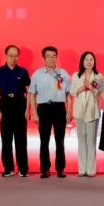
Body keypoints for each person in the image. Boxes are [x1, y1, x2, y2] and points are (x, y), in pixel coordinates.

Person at [29, 46, 72, 179]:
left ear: (56, 57)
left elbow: (68, 94)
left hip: (59, 108)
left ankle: (60, 169)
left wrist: (69, 111)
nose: (51, 59)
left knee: (60, 140)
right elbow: (32, 94)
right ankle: (45, 169)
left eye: (53, 56)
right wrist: (34, 113)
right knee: (44, 140)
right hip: (43, 109)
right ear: (43, 58)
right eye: (48, 56)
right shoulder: (37, 74)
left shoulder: (63, 73)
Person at [0, 45, 31, 177]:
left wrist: (27, 109)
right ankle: (8, 168)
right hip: (5, 104)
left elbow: (29, 92)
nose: (13, 58)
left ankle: (23, 168)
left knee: (21, 138)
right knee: (6, 138)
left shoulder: (23, 72)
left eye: (15, 56)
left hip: (20, 103)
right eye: (11, 56)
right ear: (5, 56)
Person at [70, 51, 103, 177]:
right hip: (79, 111)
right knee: (81, 140)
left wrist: (89, 85)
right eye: (86, 59)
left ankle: (91, 170)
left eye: (91, 59)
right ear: (82, 62)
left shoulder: (98, 76)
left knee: (91, 141)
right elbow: (72, 91)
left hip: (92, 111)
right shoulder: (76, 76)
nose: (89, 62)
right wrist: (84, 87)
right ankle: (82, 169)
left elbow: (99, 93)